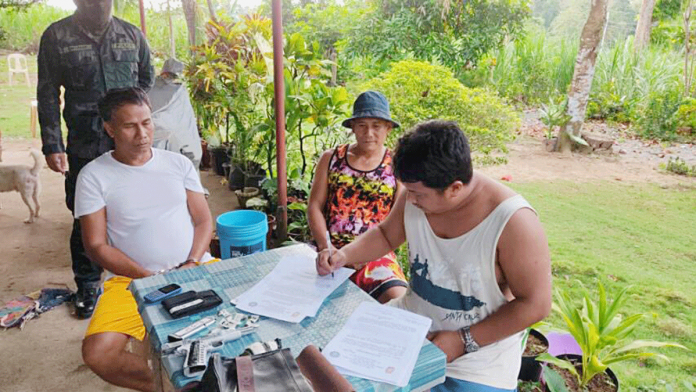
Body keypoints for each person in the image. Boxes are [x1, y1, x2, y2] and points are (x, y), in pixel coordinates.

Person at [316, 121, 552, 391]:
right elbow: (386, 235)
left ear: (454, 188)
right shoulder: (419, 192)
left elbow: (536, 304)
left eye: (417, 194)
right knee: (325, 374)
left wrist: (463, 341)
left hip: (478, 360)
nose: (410, 200)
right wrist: (343, 256)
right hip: (407, 327)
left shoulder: (513, 222)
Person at [75, 88, 213, 392]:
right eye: (130, 126)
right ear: (110, 129)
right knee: (98, 354)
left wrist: (191, 262)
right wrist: (147, 278)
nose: (143, 134)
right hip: (129, 281)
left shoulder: (178, 164)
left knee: (236, 330)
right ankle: (177, 384)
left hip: (194, 268)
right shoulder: (94, 175)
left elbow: (204, 220)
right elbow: (96, 245)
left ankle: (200, 381)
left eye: (147, 123)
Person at [37, 0, 155, 319]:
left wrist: (128, 116)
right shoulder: (57, 36)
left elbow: (146, 79)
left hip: (128, 140)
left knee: (135, 202)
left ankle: (138, 270)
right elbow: (47, 93)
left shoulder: (131, 35)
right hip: (86, 140)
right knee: (85, 211)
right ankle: (88, 283)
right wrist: (52, 144)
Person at [308, 91, 408, 304]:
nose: (369, 132)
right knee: (306, 299)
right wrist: (324, 246)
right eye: (362, 125)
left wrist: (363, 255)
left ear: (388, 128)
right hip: (331, 249)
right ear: (352, 127)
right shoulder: (332, 158)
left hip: (375, 253)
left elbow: (400, 220)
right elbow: (315, 206)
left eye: (376, 125)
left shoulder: (397, 165)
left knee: (398, 301)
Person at [148, 58, 203, 171]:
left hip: (151, 140)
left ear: (163, 71)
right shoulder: (180, 91)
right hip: (175, 143)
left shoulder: (148, 87)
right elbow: (187, 126)